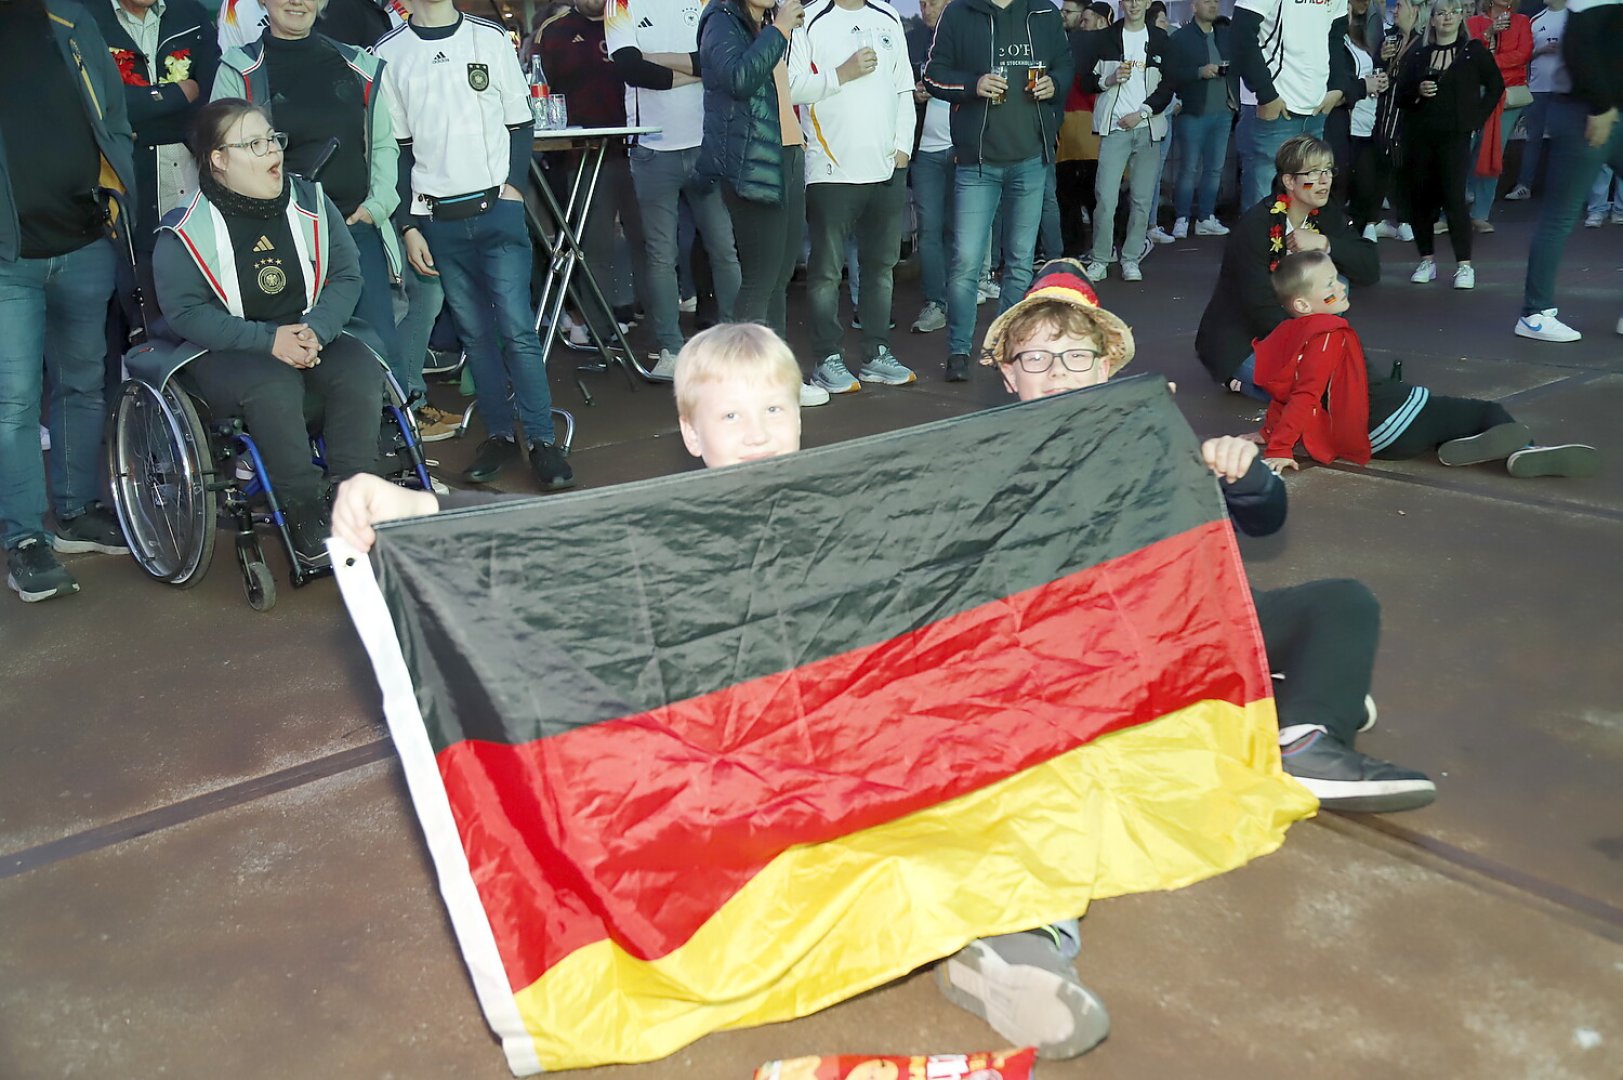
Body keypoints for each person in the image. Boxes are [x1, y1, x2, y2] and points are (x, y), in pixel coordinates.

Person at [938, 257, 1435, 1058]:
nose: (1056, 372)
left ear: (1105, 366)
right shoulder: (978, 457)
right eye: (1035, 358)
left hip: (1172, 633)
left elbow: (1264, 520)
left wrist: (1239, 475)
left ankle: (1306, 736)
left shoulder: (1148, 437)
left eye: (1074, 356)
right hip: (1064, 665)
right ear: (1007, 375)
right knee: (1053, 766)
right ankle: (1021, 940)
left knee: (1340, 603)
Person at [211, 0, 459, 441]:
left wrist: (376, 207)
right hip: (281, 237)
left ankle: (391, 448)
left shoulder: (357, 64)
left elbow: (383, 146)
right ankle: (314, 453)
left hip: (353, 229)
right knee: (299, 351)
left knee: (378, 344)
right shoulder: (240, 68)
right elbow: (224, 157)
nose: (297, 1)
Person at [152, 99, 385, 565]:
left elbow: (346, 275)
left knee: (360, 368)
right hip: (228, 348)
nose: (272, 151)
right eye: (254, 144)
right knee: (273, 385)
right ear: (219, 159)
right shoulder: (184, 229)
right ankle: (302, 508)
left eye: (272, 139)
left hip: (307, 330)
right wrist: (268, 340)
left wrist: (316, 330)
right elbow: (186, 313)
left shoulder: (311, 203)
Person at [331, 322, 805, 546]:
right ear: (692, 434)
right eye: (730, 416)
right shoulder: (670, 526)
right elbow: (549, 527)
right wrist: (417, 507)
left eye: (773, 409)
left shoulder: (841, 502)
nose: (758, 434)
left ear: (800, 415)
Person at [374, 0, 575, 489]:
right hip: (438, 218)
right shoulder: (389, 52)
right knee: (475, 335)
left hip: (496, 210)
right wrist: (408, 225)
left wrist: (513, 187)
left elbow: (520, 121)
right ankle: (500, 435)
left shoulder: (490, 37)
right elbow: (398, 147)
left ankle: (542, 441)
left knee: (517, 329)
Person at [1, 0, 136, 602]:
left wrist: (114, 203)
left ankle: (77, 512)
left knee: (83, 384)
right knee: (14, 403)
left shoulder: (69, 18)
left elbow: (114, 117)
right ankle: (25, 538)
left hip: (85, 243)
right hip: (9, 259)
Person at [1259, 250, 1599, 477]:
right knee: (1485, 412)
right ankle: (1525, 450)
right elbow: (1305, 394)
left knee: (1443, 425)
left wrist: (1268, 433)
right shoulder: (1328, 334)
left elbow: (1286, 391)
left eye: (1337, 277)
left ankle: (1461, 446)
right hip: (1394, 419)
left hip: (1379, 434)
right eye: (1330, 284)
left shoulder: (1291, 335)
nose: (1341, 286)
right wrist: (1280, 448)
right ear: (1303, 304)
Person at [924, 0, 1073, 381]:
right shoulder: (959, 11)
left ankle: (1004, 345)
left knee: (1020, 261)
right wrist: (972, 85)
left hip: (1031, 157)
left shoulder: (1043, 11)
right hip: (977, 161)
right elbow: (933, 75)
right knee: (966, 262)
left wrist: (1055, 83)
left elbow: (1065, 65)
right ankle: (959, 350)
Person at [698, 0, 843, 375]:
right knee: (760, 279)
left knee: (779, 277)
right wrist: (779, 30)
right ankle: (743, 378)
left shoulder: (762, 22)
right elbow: (739, 79)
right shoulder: (721, 20)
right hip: (751, 163)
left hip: (786, 154)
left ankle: (775, 374)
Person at [607, 0, 746, 384]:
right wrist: (696, 71)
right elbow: (631, 68)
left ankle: (738, 342)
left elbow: (720, 60)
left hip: (705, 144)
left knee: (724, 247)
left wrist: (659, 60)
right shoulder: (620, 3)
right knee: (661, 254)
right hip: (652, 147)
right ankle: (670, 348)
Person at [1195, 134, 1378, 399]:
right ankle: (1237, 380)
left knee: (1337, 283)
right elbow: (1259, 305)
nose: (1324, 180)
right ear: (1290, 181)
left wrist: (1325, 243)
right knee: (1314, 390)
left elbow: (1370, 268)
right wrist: (1311, 350)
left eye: (1328, 170)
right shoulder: (1256, 226)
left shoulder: (1324, 212)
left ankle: (1311, 360)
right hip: (1245, 338)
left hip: (1295, 323)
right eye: (1313, 173)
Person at [796, 0, 917, 394]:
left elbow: (903, 87)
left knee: (880, 267)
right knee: (827, 272)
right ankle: (827, 358)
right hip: (831, 168)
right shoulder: (810, 18)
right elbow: (792, 85)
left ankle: (876, 353)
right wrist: (841, 73)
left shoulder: (888, 16)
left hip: (885, 167)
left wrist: (903, 146)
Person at [538, 0, 650, 358]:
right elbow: (543, 93)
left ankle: (655, 322)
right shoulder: (555, 32)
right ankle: (600, 328)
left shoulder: (632, 20)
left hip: (642, 146)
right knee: (595, 246)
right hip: (584, 154)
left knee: (651, 241)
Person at [1512, 0, 1622, 344]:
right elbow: (1579, 46)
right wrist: (1600, 106)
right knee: (1560, 214)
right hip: (1586, 112)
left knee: (1560, 214)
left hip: (1608, 111)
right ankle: (1534, 313)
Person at [91, 0, 220, 264]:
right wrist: (175, 95)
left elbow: (211, 97)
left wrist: (137, 123)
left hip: (192, 186)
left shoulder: (190, 12)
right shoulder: (86, 18)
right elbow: (96, 105)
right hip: (122, 193)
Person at [1397, 0, 1502, 289]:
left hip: (1455, 135)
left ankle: (1464, 266)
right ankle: (1426, 260)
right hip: (1420, 135)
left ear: (1461, 17)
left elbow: (1496, 86)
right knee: (1422, 198)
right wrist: (1418, 90)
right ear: (1431, 19)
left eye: (1453, 12)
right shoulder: (1420, 54)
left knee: (1454, 198)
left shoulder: (1473, 51)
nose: (1447, 18)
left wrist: (1476, 118)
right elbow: (1401, 96)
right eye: (1441, 13)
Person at [1073, 0, 1176, 283]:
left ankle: (1131, 258)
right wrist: (1108, 80)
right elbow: (1085, 81)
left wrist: (1142, 113)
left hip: (1148, 127)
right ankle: (1101, 258)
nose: (1133, 4)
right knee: (1105, 198)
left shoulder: (1160, 39)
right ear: (1121, 4)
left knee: (1142, 199)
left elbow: (1170, 84)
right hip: (1115, 128)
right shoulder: (1105, 38)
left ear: (1147, 3)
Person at [1231, 0, 1351, 211]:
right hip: (1276, 107)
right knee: (1262, 207)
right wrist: (1266, 94)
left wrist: (1337, 86)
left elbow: (1336, 34)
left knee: (1306, 202)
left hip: (1316, 109)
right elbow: (1241, 33)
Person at [1166, 0, 1237, 239]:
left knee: (1215, 169)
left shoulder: (1224, 35)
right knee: (1189, 168)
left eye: (1215, 1)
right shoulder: (1181, 37)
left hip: (1223, 111)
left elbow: (1238, 65)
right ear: (1194, 6)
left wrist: (1234, 100)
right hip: (1192, 110)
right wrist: (1199, 71)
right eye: (1207, 1)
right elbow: (1171, 73)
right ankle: (1182, 218)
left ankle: (1206, 217)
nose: (1213, 5)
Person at [1464, 0, 1531, 232]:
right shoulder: (1473, 22)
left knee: (1493, 150)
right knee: (1464, 148)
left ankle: (1480, 213)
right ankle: (1450, 211)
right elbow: (1467, 53)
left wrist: (1489, 62)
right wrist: (1489, 33)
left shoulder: (1521, 22)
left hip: (1507, 96)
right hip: (1474, 95)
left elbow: (1523, 54)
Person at [906, 0, 951, 335]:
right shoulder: (911, 40)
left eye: (932, 2)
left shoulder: (967, 37)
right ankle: (937, 301)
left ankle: (961, 294)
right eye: (921, 2)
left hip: (964, 147)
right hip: (925, 150)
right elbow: (895, 86)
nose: (925, 8)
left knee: (960, 230)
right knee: (930, 230)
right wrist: (913, 93)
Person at [1326, 0, 1387, 235]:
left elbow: (1364, 71)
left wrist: (1378, 80)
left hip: (1368, 117)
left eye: (1348, 9)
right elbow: (1338, 87)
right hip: (1346, 120)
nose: (1347, 13)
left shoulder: (1355, 37)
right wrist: (1364, 85)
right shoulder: (1330, 43)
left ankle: (1365, 225)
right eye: (1344, 9)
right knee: (1341, 179)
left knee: (1367, 177)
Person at [1365, 0, 1424, 242]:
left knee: (1405, 167)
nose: (1395, 11)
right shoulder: (1388, 37)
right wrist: (1381, 58)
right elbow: (1376, 70)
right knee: (1380, 163)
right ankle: (1371, 221)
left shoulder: (1423, 41)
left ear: (1415, 11)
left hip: (1409, 113)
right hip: (1384, 110)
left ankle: (1405, 220)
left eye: (1400, 6)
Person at [1506, 0, 1568, 201]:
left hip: (1565, 90)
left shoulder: (1574, 17)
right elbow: (1523, 55)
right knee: (1533, 138)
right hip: (1538, 88)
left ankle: (1562, 189)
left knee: (1563, 140)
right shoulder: (1535, 20)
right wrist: (1541, 50)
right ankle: (1524, 185)